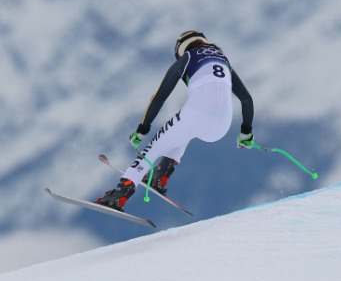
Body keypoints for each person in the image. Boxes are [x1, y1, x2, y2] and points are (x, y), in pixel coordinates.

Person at [97, 30, 255, 211]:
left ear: (180, 49)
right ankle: (161, 175)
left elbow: (159, 97)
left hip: (196, 114)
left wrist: (142, 129)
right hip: (223, 124)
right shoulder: (224, 61)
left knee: (154, 147)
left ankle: (120, 194)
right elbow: (246, 100)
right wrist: (246, 133)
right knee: (182, 133)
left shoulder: (188, 57)